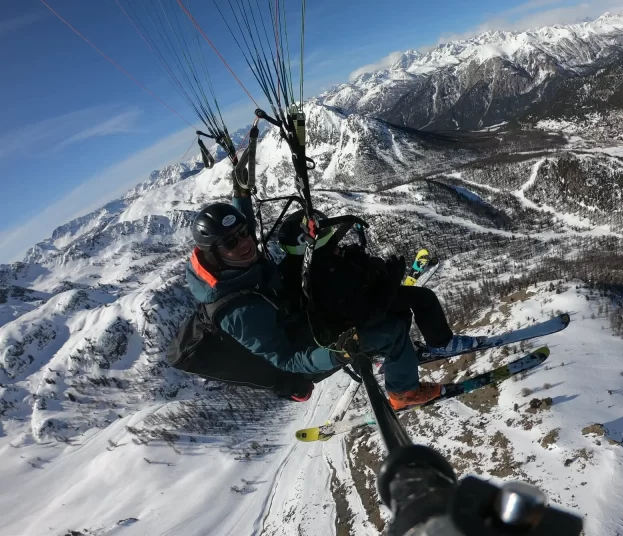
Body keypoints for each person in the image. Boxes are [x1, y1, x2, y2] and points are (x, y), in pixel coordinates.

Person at [185, 173, 451, 409]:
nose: (244, 243)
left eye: (243, 233)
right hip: (307, 352)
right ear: (215, 255)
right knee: (392, 332)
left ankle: (397, 360)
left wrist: (240, 194)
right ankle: (403, 393)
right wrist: (338, 353)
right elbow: (287, 359)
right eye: (231, 241)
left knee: (384, 307)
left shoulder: (233, 263)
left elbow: (244, 229)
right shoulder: (236, 312)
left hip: (301, 315)